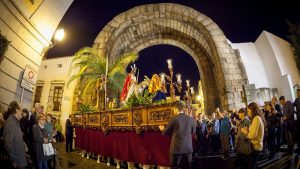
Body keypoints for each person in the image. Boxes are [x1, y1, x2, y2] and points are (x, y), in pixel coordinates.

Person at [159, 101, 195, 169]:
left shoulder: (174, 118)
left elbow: (166, 132)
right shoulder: (191, 119)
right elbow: (193, 132)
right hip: (188, 148)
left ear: (176, 108)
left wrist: (162, 129)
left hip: (176, 149)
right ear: (183, 108)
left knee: (174, 167)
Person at [3, 101, 28, 169]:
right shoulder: (11, 123)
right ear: (17, 110)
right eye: (21, 110)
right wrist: (15, 162)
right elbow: (8, 144)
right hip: (17, 162)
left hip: (19, 158)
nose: (22, 112)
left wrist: (23, 143)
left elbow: (15, 137)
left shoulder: (16, 121)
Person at [241, 102, 266, 169]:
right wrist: (247, 130)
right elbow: (254, 131)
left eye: (249, 111)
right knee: (253, 164)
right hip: (255, 145)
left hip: (256, 146)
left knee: (251, 166)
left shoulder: (257, 118)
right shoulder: (256, 118)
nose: (248, 113)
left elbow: (252, 135)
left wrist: (244, 132)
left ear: (253, 110)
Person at [294, 89, 300, 156]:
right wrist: (295, 112)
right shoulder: (296, 100)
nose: (297, 94)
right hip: (298, 119)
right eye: (297, 93)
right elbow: (292, 106)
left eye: (298, 93)